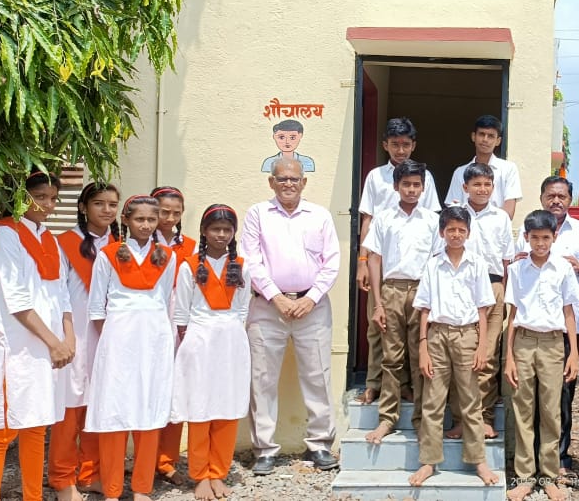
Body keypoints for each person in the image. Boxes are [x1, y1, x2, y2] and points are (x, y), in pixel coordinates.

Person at [0, 172, 74, 501]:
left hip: (49, 352)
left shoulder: (51, 239)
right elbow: (17, 302)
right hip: (18, 351)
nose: (49, 205)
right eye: (40, 197)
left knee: (36, 428)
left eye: (53, 198)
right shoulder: (4, 235)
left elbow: (63, 296)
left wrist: (69, 338)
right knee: (1, 433)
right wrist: (55, 343)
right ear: (20, 197)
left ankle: (34, 497)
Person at [241, 157, 340, 474]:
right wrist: (276, 297)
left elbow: (332, 262)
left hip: (313, 306)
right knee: (262, 379)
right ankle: (264, 449)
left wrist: (310, 298)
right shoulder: (258, 214)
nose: (288, 184)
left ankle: (320, 444)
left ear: (303, 182)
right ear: (271, 182)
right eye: (281, 179)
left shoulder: (319, 215)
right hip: (267, 307)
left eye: (294, 179)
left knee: (318, 376)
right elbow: (251, 261)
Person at [86, 195, 177, 501]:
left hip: (153, 340)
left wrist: (157, 338)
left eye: (152, 219)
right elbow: (96, 306)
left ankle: (141, 488)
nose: (146, 225)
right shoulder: (108, 255)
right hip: (118, 340)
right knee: (114, 410)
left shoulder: (167, 256)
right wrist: (115, 339)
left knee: (148, 409)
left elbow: (163, 301)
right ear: (125, 220)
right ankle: (112, 489)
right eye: (139, 219)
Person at [513, 176, 579, 475]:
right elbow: (516, 269)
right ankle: (530, 460)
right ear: (542, 197)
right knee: (528, 400)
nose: (556, 201)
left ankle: (558, 459)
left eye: (562, 196)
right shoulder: (528, 231)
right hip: (530, 330)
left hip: (564, 327)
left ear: (570, 200)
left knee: (561, 397)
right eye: (551, 195)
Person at [409, 206, 498, 487]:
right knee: (433, 400)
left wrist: (482, 346)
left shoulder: (477, 264)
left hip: (467, 336)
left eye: (461, 230)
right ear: (442, 232)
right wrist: (423, 346)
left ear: (468, 233)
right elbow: (424, 309)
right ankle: (429, 461)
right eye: (451, 230)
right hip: (437, 335)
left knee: (471, 400)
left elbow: (483, 309)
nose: (456, 234)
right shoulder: (433, 265)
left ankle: (478, 460)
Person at [355, 117, 442, 405]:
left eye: (405, 144)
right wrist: (363, 261)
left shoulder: (423, 177)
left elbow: (431, 223)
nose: (400, 150)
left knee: (414, 333)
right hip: (381, 260)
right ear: (385, 145)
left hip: (415, 266)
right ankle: (374, 383)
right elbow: (368, 219)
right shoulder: (375, 177)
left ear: (413, 145)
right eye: (395, 144)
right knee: (378, 326)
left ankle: (407, 386)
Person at [170, 205, 252, 501]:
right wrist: (190, 343)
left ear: (233, 233)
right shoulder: (189, 266)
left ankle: (218, 471)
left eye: (227, 230)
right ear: (204, 231)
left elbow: (242, 309)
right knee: (200, 407)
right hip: (199, 340)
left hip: (230, 341)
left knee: (227, 406)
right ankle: (200, 474)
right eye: (215, 229)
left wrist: (231, 335)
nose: (221, 234)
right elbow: (182, 313)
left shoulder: (242, 266)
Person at [504, 210, 579, 501]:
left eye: (545, 238)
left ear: (554, 237)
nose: (540, 243)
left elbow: (569, 312)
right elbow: (513, 315)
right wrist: (509, 357)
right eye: (535, 237)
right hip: (523, 342)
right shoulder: (517, 270)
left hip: (552, 344)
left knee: (551, 411)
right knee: (523, 410)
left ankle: (549, 477)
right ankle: (525, 477)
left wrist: (573, 354)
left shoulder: (562, 269)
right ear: (526, 237)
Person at [50, 181, 120, 501]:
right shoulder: (64, 242)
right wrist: (63, 336)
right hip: (75, 331)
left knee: (99, 403)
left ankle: (91, 474)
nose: (106, 210)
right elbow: (58, 292)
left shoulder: (122, 245)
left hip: (110, 333)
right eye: (99, 203)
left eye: (112, 204)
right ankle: (62, 478)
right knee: (70, 406)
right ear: (83, 207)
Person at [362, 159, 440, 444]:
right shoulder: (384, 218)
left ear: (423, 187)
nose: (411, 190)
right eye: (406, 184)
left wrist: (433, 300)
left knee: (422, 358)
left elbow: (437, 262)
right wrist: (378, 303)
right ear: (396, 186)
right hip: (392, 290)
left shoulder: (432, 220)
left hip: (422, 291)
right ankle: (387, 418)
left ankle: (422, 420)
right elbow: (374, 259)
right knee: (391, 358)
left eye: (416, 185)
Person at [448, 162, 515, 439]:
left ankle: (484, 417)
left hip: (493, 285)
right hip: (461, 286)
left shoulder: (501, 218)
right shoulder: (456, 216)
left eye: (488, 184)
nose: (483, 189)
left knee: (487, 356)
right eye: (477, 184)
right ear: (465, 187)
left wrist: (504, 295)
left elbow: (507, 261)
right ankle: (461, 419)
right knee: (461, 356)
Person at [150, 185, 197, 486]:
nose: (169, 218)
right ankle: (143, 457)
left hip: (179, 321)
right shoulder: (139, 242)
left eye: (175, 213)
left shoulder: (190, 246)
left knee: (174, 390)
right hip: (150, 319)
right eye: (164, 212)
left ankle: (166, 461)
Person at [445, 115, 523, 218]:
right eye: (482, 134)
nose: (485, 140)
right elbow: (453, 211)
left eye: (491, 136)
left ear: (498, 141)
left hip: (497, 227)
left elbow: (508, 213)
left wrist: (486, 224)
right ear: (473, 136)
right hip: (466, 227)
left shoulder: (508, 169)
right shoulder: (460, 172)